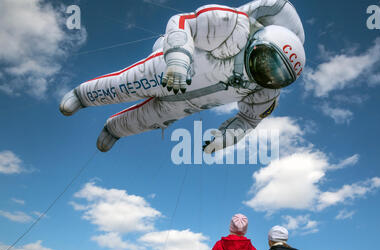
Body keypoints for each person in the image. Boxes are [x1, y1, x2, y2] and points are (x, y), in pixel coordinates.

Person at [59, 0, 306, 153]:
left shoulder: (267, 90)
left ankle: (114, 129)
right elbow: (184, 21)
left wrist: (226, 138)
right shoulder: (234, 26)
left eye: (276, 75)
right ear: (258, 41)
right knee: (123, 85)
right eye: (266, 60)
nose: (267, 72)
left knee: (148, 120)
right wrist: (178, 57)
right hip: (169, 68)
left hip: (187, 104)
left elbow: (249, 120)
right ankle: (82, 96)